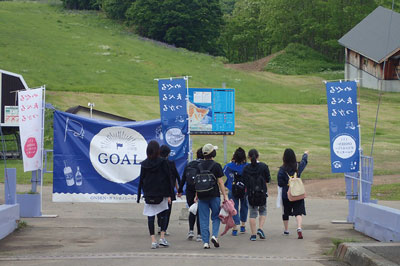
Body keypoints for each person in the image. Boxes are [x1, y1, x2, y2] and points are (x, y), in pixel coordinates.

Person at [137, 140, 174, 249]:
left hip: (149, 194)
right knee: (164, 214)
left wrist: (141, 194)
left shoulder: (144, 164)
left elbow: (141, 180)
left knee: (150, 216)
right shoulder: (164, 162)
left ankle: (153, 240)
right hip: (161, 193)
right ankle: (162, 237)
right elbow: (168, 179)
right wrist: (169, 194)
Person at [197, 143, 227, 249]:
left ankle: (205, 242)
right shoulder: (216, 165)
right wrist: (225, 196)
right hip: (214, 195)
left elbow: (197, 182)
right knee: (215, 216)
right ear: (213, 153)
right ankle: (214, 235)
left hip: (201, 195)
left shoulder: (199, 165)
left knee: (203, 219)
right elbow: (220, 182)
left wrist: (196, 195)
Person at [277, 148, 308, 239]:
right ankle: (299, 227)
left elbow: (280, 183)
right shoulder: (298, 167)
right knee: (298, 211)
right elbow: (304, 162)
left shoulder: (282, 170)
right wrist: (305, 154)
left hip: (287, 194)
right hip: (298, 193)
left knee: (285, 212)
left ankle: (286, 230)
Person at [242, 149, 270, 241]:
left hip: (251, 193)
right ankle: (260, 228)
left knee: (252, 213)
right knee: (263, 210)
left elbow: (244, 181)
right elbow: (267, 180)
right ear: (258, 156)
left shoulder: (246, 168)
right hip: (262, 192)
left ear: (249, 157)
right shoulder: (263, 166)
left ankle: (253, 234)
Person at [178, 147, 203, 241]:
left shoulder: (189, 164)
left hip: (189, 189)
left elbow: (183, 178)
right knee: (200, 211)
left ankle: (191, 230)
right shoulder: (203, 165)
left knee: (192, 209)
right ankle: (199, 234)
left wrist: (180, 190)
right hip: (200, 189)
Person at [223, 147, 249, 236]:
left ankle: (234, 227)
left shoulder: (229, 166)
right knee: (244, 206)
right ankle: (243, 225)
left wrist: (232, 161)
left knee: (233, 208)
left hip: (232, 188)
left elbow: (224, 171)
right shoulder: (247, 166)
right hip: (244, 189)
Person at [156, 145, 180, 236]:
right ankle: (164, 228)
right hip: (169, 189)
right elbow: (175, 177)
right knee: (167, 210)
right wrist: (178, 189)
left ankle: (159, 225)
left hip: (158, 189)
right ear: (168, 154)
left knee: (158, 208)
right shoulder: (171, 164)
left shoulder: (156, 163)